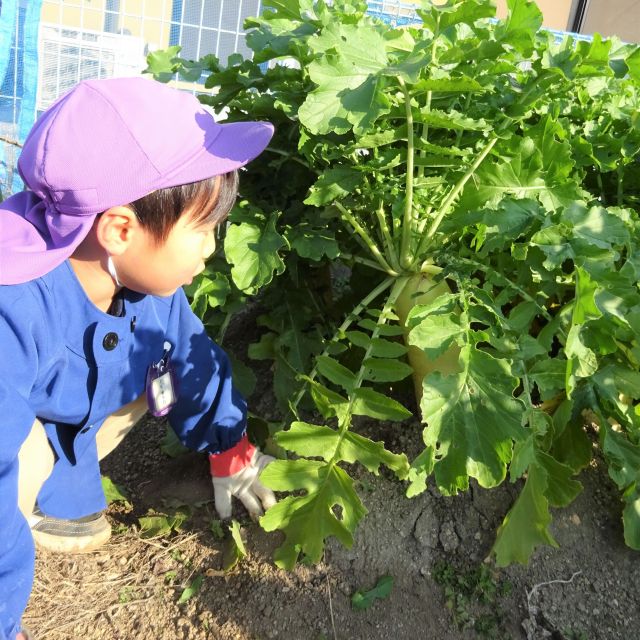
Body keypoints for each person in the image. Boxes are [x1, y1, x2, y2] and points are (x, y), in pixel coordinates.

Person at [0, 77, 277, 640]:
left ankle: (58, 482)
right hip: (13, 428)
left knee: (157, 366)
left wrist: (229, 444)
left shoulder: (146, 287)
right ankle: (32, 490)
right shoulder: (14, 309)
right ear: (120, 228)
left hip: (67, 403)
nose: (211, 247)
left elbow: (193, 363)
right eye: (204, 229)